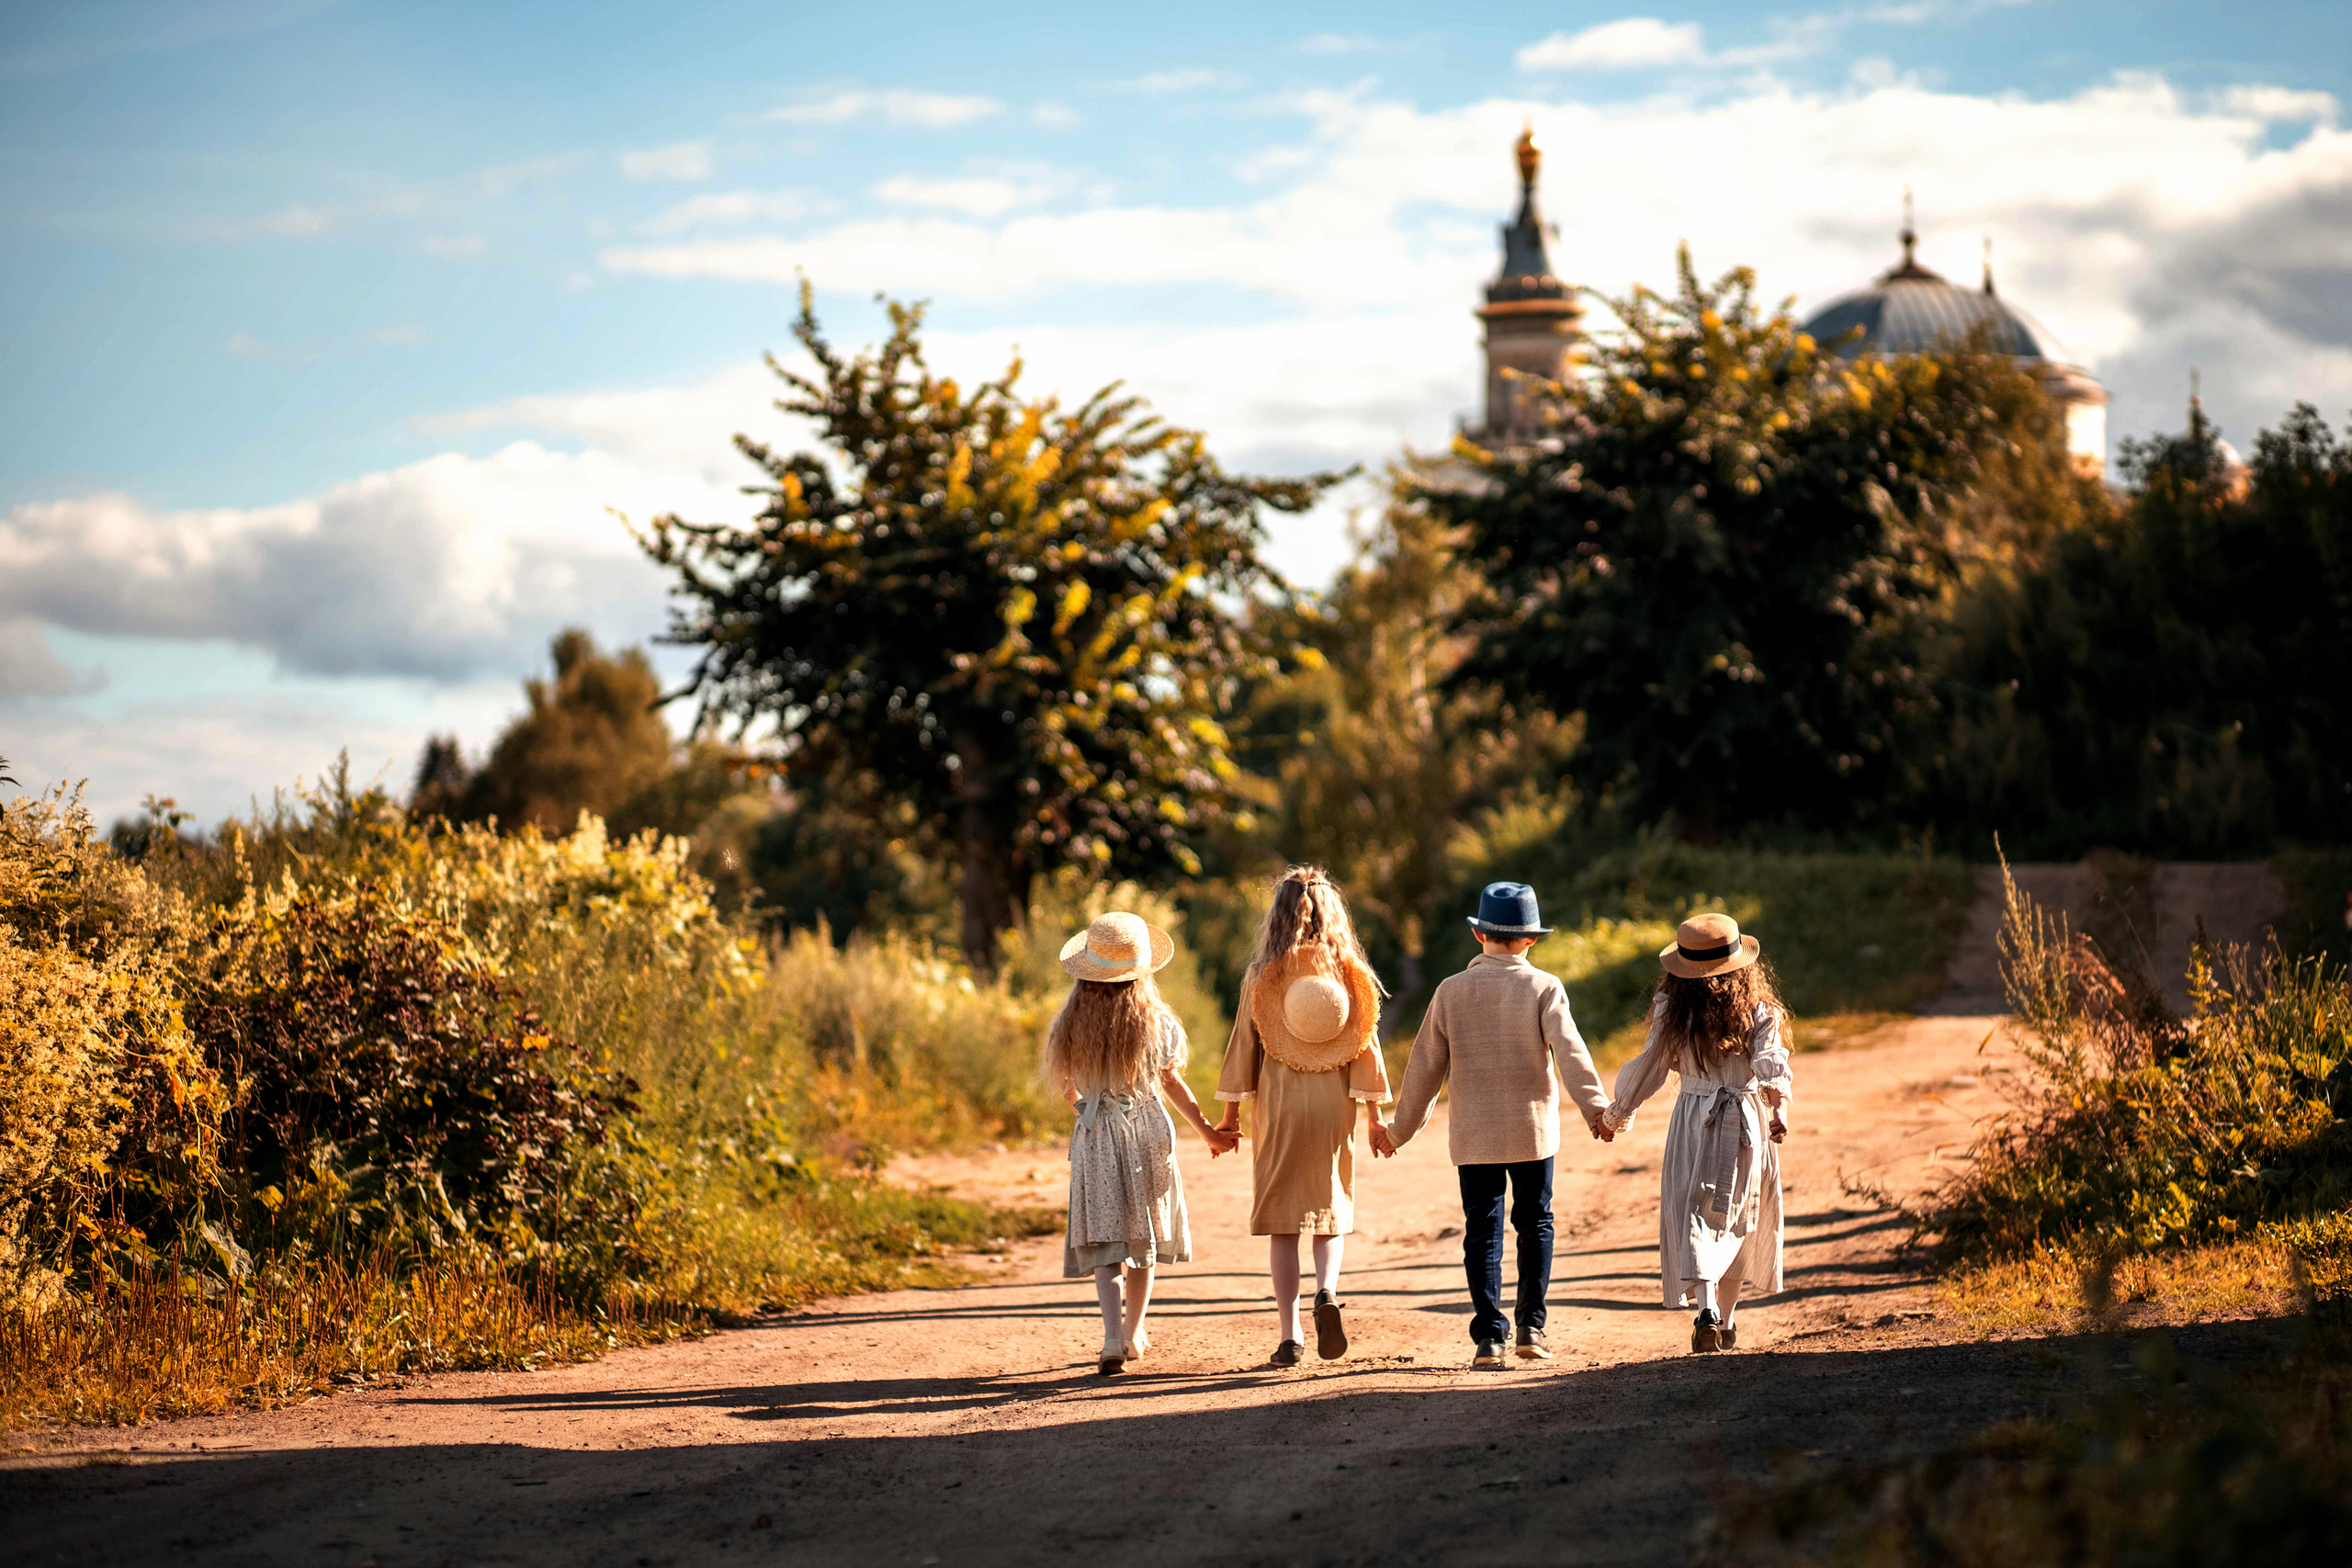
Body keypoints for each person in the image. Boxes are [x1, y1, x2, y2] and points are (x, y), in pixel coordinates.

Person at [1378, 881, 1612, 1369]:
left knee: (1481, 1233)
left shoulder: (1450, 992)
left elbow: (1424, 1069)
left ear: (1478, 934)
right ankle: (1531, 1325)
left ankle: (1489, 1337)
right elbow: (1571, 1053)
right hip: (1532, 1132)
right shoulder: (1544, 987)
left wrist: (1397, 1131)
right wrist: (1597, 1111)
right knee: (1535, 1224)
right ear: (1531, 939)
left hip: (1474, 1135)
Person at [1045, 911, 1238, 1376]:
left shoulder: (1069, 1022)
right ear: (1142, 970)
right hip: (1148, 1127)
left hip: (1098, 1133)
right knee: (1143, 1237)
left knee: (1108, 1238)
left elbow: (1067, 1087)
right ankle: (1133, 1335)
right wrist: (1208, 1131)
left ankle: (1111, 1339)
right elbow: (1172, 1085)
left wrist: (1084, 1109)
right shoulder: (1157, 1021)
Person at [1212, 867, 1391, 1367]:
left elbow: (1242, 1049)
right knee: (1329, 1211)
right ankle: (1327, 1291)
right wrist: (1375, 1117)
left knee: (1283, 1224)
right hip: (1334, 1105)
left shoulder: (1263, 976)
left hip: (1280, 1105)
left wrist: (1230, 1118)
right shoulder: (1349, 974)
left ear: (1278, 915)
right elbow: (1366, 1048)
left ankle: (1290, 1336)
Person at [1601, 912, 1792, 1354]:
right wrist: (1778, 1108)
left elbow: (1648, 1068)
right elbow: (1771, 1062)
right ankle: (1726, 1322)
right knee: (1739, 1218)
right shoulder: (1759, 1010)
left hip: (1694, 1119)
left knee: (1695, 1213)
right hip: (1746, 1118)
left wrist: (1615, 1116)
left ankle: (1705, 1309)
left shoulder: (1673, 1012)